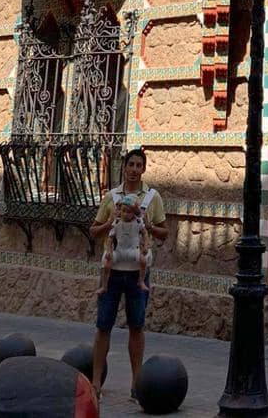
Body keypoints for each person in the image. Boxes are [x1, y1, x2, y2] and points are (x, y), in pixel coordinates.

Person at [89, 148, 167, 402]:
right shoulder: (111, 196)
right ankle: (96, 382)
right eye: (130, 164)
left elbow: (164, 232)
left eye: (139, 165)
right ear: (124, 167)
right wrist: (109, 221)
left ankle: (137, 384)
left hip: (137, 274)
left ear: (144, 169)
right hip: (112, 273)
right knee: (103, 326)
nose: (134, 169)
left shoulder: (152, 198)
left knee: (137, 326)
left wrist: (149, 225)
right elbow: (94, 230)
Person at [96, 192, 149, 296]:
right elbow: (110, 239)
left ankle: (141, 281)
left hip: (133, 250)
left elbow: (145, 234)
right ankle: (104, 286)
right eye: (123, 211)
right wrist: (109, 251)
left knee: (143, 261)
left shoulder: (138, 223)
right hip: (119, 251)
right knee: (107, 264)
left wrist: (145, 246)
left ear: (134, 212)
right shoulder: (117, 223)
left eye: (129, 212)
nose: (125, 214)